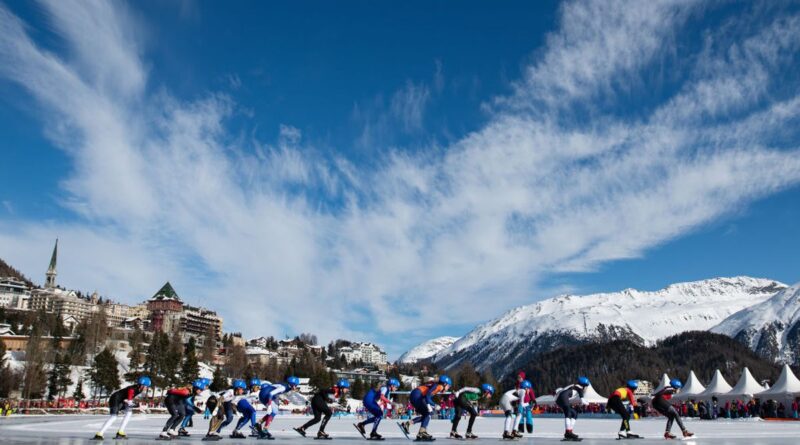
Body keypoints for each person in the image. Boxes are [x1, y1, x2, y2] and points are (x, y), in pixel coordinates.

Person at [93, 376, 152, 440]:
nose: (146, 388)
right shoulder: (133, 389)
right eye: (146, 386)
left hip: (122, 400)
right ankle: (99, 434)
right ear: (141, 385)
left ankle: (120, 432)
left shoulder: (138, 390)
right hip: (115, 399)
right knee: (114, 417)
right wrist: (135, 404)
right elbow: (130, 397)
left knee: (129, 413)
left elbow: (128, 399)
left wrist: (135, 404)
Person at [400, 375, 452, 441]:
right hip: (417, 395)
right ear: (445, 384)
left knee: (426, 415)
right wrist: (434, 405)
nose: (448, 388)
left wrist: (430, 405)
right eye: (448, 386)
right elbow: (427, 397)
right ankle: (422, 432)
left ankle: (407, 424)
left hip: (416, 395)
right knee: (428, 413)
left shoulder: (437, 385)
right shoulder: (440, 387)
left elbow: (427, 396)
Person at [555, 376, 590, 442]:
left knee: (574, 413)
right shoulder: (579, 387)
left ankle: (569, 432)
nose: (586, 388)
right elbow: (581, 395)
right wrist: (583, 400)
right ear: (583, 385)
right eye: (586, 386)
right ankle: (568, 433)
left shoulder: (574, 386)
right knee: (568, 412)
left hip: (561, 398)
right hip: (563, 397)